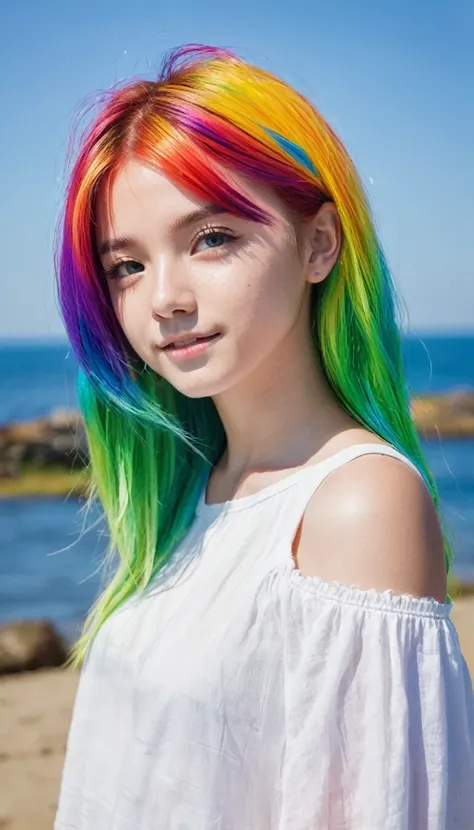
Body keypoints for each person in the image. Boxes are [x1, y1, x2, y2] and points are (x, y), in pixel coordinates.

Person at [54, 43, 474, 829]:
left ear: (319, 244)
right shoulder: (195, 492)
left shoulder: (357, 505)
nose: (165, 298)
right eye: (126, 266)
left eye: (210, 237)